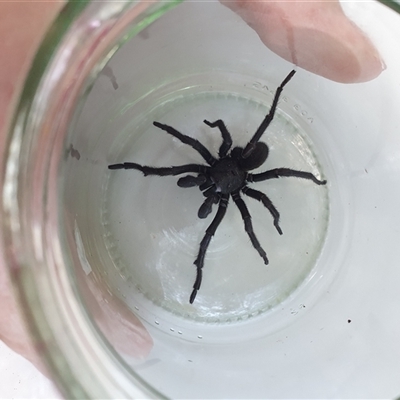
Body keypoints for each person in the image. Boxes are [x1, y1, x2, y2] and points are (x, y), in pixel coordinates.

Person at [0, 0, 384, 374]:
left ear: (220, 164)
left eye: (208, 184)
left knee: (216, 216)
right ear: (222, 161)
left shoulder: (230, 175)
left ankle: (190, 262)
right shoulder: (224, 168)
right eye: (209, 184)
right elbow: (216, 146)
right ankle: (131, 168)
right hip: (236, 170)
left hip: (239, 172)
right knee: (192, 181)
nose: (206, 189)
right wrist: (210, 132)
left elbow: (256, 197)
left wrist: (283, 205)